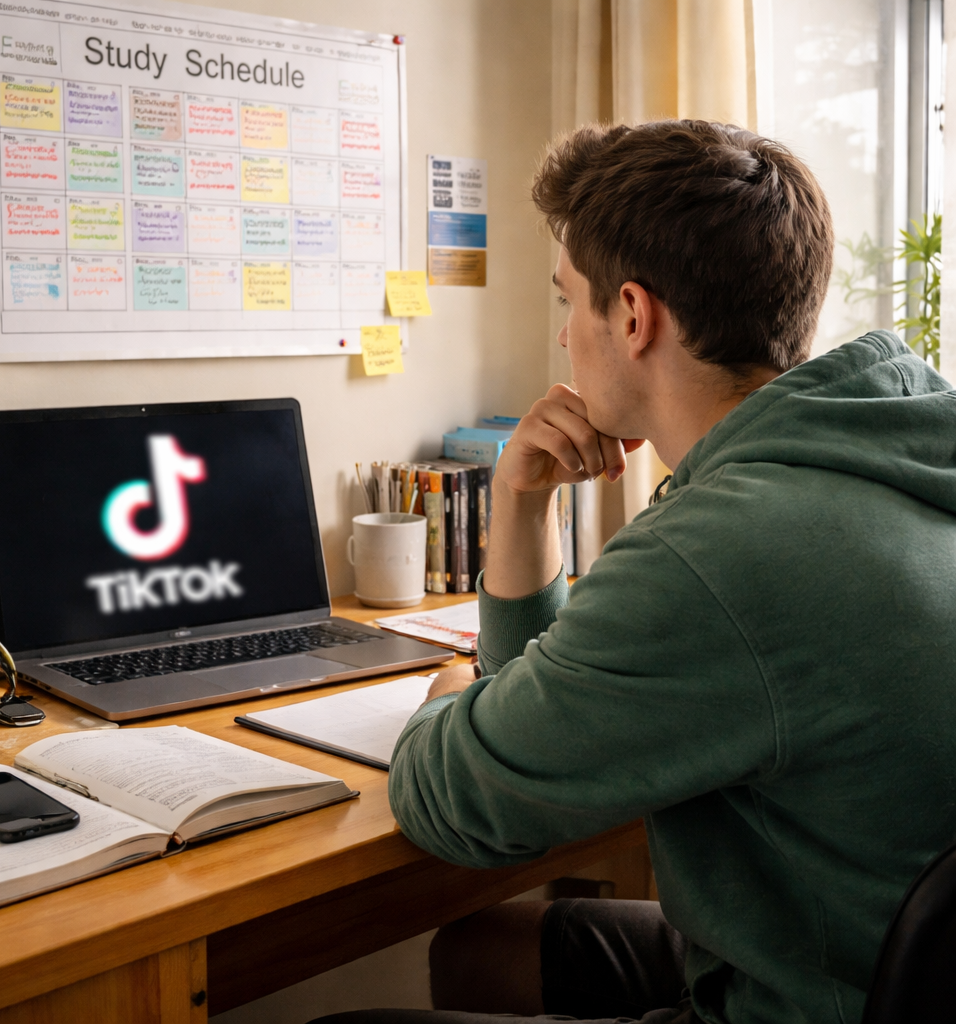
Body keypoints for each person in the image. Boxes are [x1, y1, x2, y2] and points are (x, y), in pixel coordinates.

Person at [314, 120, 956, 1024]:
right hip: (865, 951)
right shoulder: (898, 449)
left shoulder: (718, 553)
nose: (565, 337)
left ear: (631, 314)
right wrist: (523, 502)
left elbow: (454, 803)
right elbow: (535, 708)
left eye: (568, 302)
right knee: (485, 948)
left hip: (808, 998)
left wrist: (447, 696)